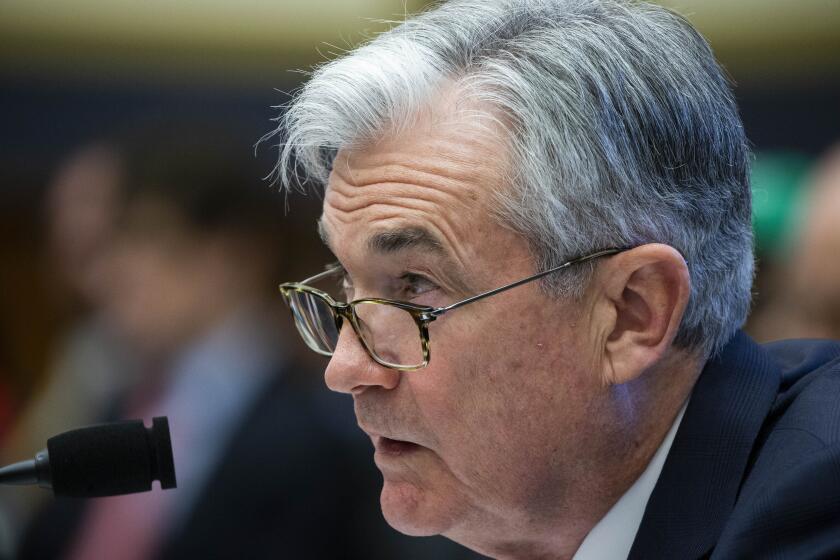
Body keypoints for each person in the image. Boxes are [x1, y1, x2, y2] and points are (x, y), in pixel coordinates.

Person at [268, 0, 840, 558]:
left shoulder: (814, 507)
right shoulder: (527, 518)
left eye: (415, 286)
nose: (344, 370)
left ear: (630, 314)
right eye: (348, 279)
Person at [19, 129, 483, 559]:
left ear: (229, 253)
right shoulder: (112, 394)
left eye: (148, 240)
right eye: (112, 246)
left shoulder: (323, 422)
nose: (115, 272)